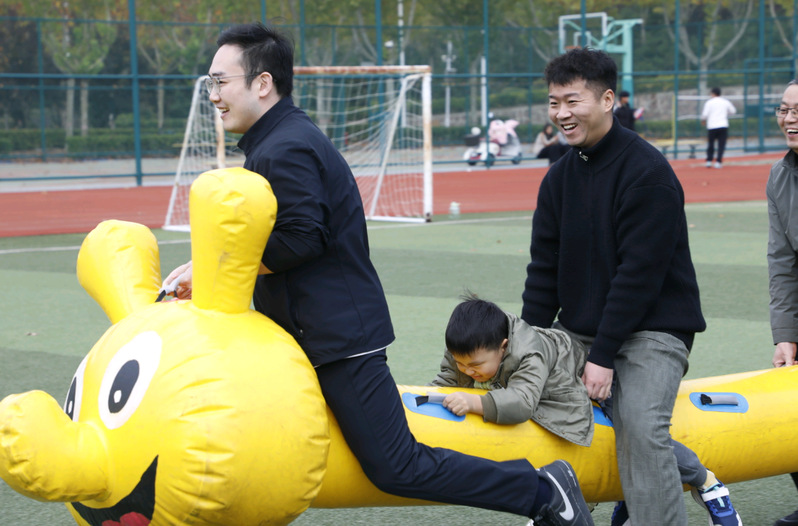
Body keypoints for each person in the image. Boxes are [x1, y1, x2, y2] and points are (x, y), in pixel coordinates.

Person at [162, 22, 595, 526]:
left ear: (262, 83)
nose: (213, 94)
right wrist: (206, 266)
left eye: (220, 81)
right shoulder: (276, 142)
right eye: (210, 83)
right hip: (315, 336)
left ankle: (542, 492)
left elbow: (304, 237)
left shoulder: (285, 147)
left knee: (396, 465)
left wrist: (217, 268)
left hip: (339, 339)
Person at [521, 47, 710, 525]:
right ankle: (569, 507)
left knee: (642, 426)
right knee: (520, 393)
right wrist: (523, 348)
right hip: (580, 330)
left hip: (652, 329)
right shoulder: (558, 179)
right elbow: (543, 272)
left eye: (573, 101)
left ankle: (691, 486)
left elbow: (639, 277)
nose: (561, 113)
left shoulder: (647, 173)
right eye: (554, 103)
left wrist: (602, 356)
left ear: (607, 100)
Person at [431, 294, 742, 526]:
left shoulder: (529, 354)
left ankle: (706, 482)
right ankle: (621, 499)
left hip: (581, 381)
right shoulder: (466, 347)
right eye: (461, 363)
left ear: (502, 346)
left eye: (475, 365)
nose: (467, 371)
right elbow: (446, 380)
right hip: (548, 383)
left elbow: (522, 403)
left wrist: (475, 402)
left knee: (635, 432)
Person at [767, 79, 798, 526]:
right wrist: (786, 336)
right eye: (784, 110)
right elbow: (782, 261)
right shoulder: (780, 176)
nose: (790, 119)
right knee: (791, 410)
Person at [701, 86, 736, 169]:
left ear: (713, 93)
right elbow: (733, 111)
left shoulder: (709, 102)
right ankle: (718, 162)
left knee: (711, 144)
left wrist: (703, 120)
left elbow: (705, 114)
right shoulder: (725, 102)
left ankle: (709, 161)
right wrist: (725, 113)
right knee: (721, 145)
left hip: (712, 126)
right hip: (723, 125)